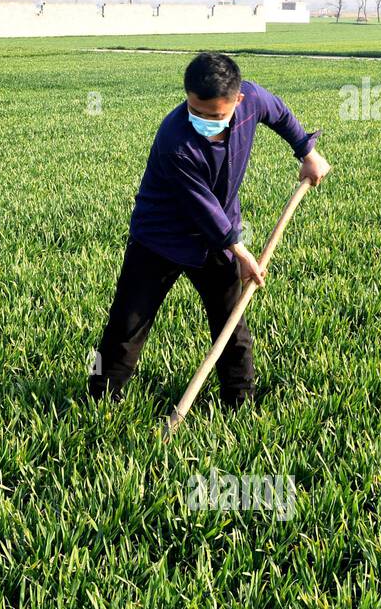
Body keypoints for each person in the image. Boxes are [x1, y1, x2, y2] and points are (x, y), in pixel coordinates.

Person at [88, 51, 331, 407]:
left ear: (238, 100)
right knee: (126, 324)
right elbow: (204, 209)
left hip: (216, 241)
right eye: (195, 111)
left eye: (214, 115)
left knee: (231, 323)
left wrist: (306, 151)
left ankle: (240, 400)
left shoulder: (253, 102)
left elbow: (278, 113)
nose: (203, 120)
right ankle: (100, 396)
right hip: (159, 237)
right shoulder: (175, 140)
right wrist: (242, 252)